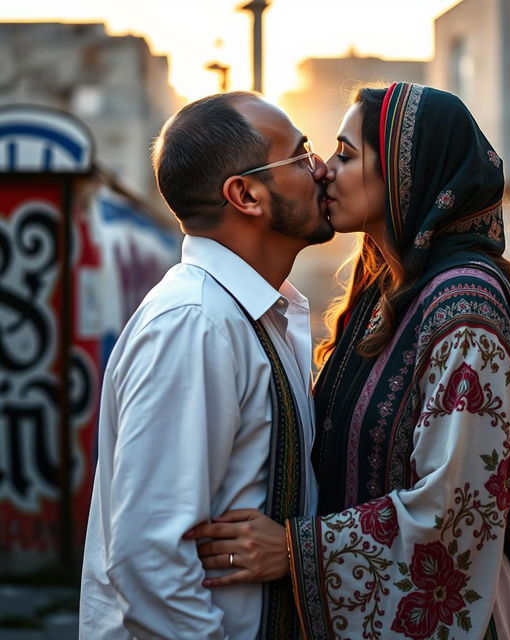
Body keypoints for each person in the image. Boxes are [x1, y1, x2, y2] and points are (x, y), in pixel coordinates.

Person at [190, 83, 510, 639]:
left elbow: (455, 515)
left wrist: (296, 551)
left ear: (405, 173)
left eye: (345, 154)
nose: (324, 172)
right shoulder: (385, 293)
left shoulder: (465, 305)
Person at [79, 91, 334, 639]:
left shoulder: (256, 314)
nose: (320, 168)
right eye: (301, 152)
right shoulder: (195, 324)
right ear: (246, 194)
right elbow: (150, 562)